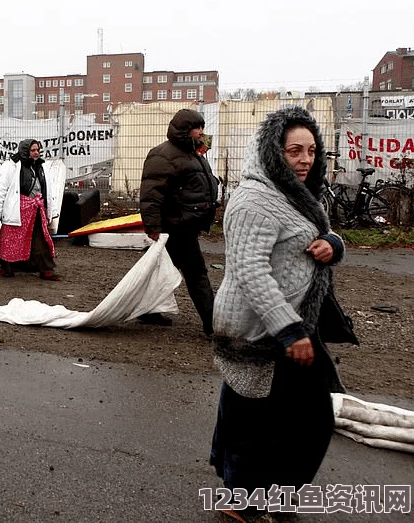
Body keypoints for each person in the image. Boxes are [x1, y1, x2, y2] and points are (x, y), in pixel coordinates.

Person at [209, 106, 348, 522]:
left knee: (296, 414)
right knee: (254, 415)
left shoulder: (296, 194)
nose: (305, 159)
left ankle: (270, 492)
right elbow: (250, 270)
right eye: (294, 151)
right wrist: (288, 330)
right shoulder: (254, 200)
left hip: (295, 321)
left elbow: (316, 236)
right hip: (259, 327)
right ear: (273, 151)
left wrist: (333, 244)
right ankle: (242, 500)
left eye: (311, 150)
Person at [139, 109, 219, 333]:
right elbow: (151, 194)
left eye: (202, 127)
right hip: (175, 226)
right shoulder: (163, 155)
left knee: (158, 269)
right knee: (196, 274)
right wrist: (153, 227)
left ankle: (147, 310)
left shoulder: (193, 153)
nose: (202, 132)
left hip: (185, 225)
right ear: (185, 129)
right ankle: (212, 324)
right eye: (197, 128)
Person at [0, 139, 61, 281]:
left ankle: (46, 269)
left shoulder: (41, 166)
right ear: (25, 151)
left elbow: (48, 189)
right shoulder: (12, 166)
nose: (36, 153)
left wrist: (50, 211)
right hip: (17, 209)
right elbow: (1, 190)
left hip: (36, 209)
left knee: (40, 238)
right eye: (33, 150)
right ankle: (6, 268)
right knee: (11, 239)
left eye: (38, 150)